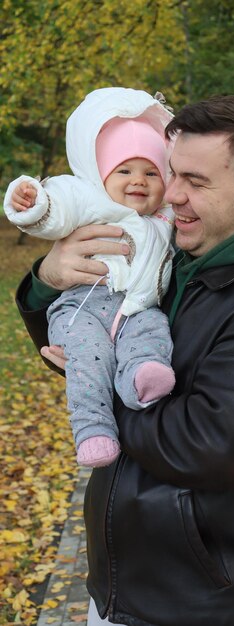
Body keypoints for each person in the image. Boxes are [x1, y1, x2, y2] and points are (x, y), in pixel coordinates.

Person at [15, 94, 234, 626]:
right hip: (121, 590)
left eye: (197, 182)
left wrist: (98, 390)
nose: (172, 194)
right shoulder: (171, 254)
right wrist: (49, 280)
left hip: (214, 604)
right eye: (172, 172)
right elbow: (82, 343)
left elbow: (210, 448)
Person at [5, 87, 176, 468]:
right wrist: (33, 203)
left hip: (136, 307)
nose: (139, 181)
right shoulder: (91, 197)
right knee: (87, 357)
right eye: (125, 170)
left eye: (152, 172)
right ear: (103, 174)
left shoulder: (166, 216)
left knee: (153, 330)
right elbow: (57, 206)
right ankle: (93, 431)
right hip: (81, 306)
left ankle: (141, 378)